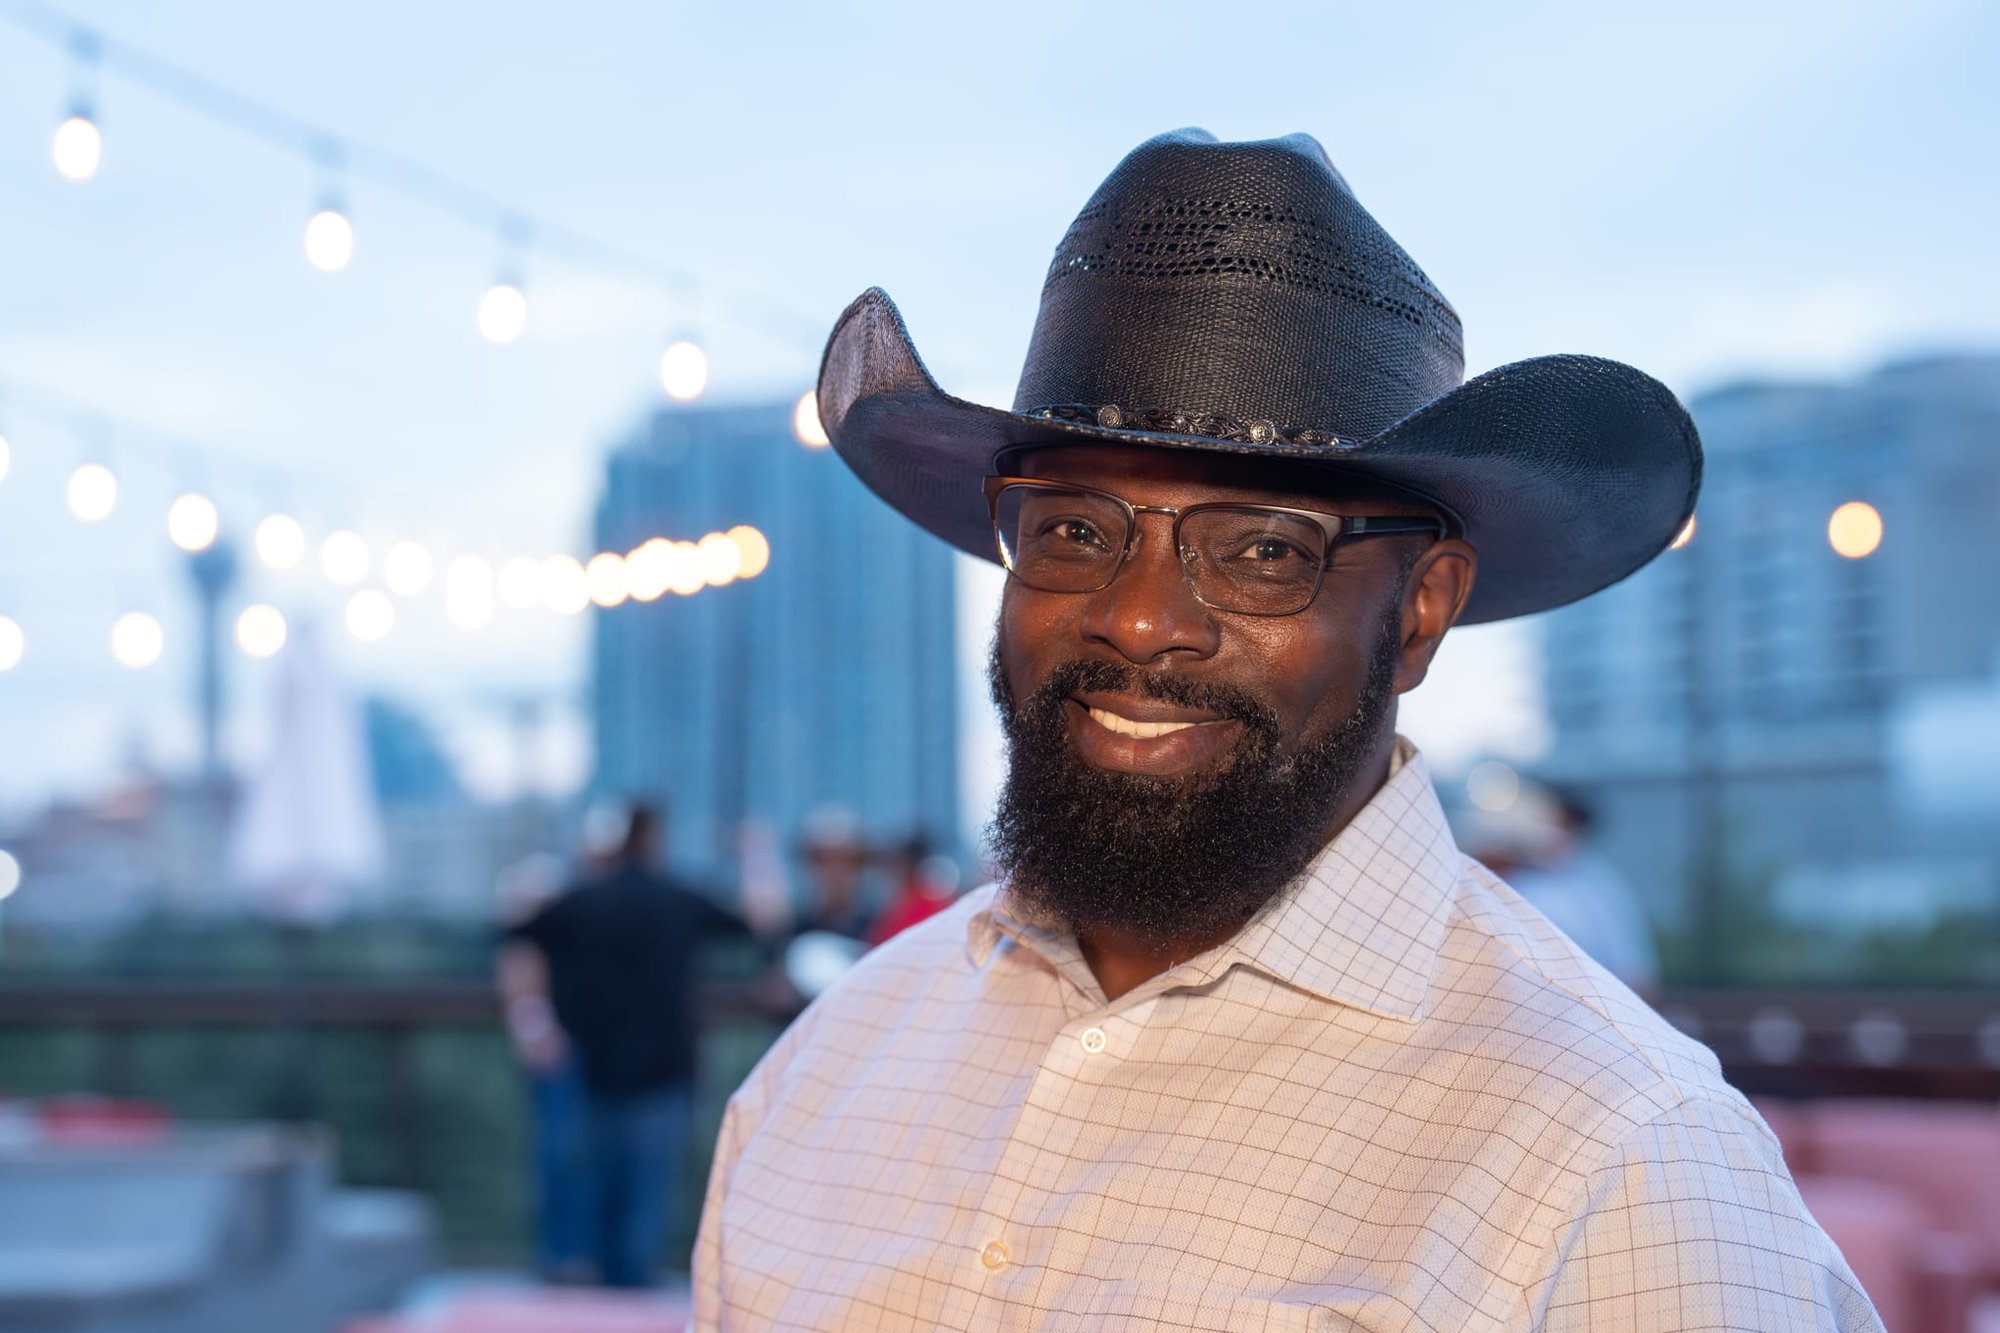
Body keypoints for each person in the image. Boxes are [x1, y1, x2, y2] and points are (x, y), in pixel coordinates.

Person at [694, 131, 1878, 1328]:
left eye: (1262, 548)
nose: (1140, 619)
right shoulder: (831, 1066)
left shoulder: (1614, 1161)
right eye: (1069, 532)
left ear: (1419, 612)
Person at [508, 801, 744, 1288]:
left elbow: (514, 932)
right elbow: (754, 926)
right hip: (664, 1066)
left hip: (593, 1067)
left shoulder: (580, 900)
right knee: (646, 1201)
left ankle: (580, 1281)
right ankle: (633, 1284)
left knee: (585, 1189)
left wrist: (531, 1017)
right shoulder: (680, 899)